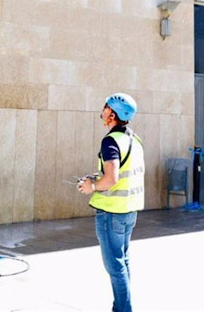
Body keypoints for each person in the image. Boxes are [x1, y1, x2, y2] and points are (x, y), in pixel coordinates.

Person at [78, 93, 145, 312]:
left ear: (113, 114)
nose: (103, 109)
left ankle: (124, 310)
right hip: (129, 211)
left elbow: (112, 178)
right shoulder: (134, 140)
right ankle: (122, 307)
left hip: (111, 213)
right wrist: (96, 178)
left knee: (115, 267)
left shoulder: (110, 141)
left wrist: (92, 187)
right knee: (122, 262)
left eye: (106, 106)